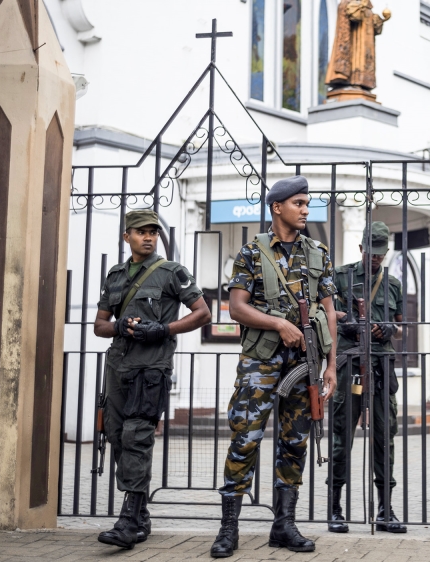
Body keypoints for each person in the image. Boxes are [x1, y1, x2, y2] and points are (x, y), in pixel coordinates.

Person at [210, 176, 338, 558]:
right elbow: (236, 307)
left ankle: (284, 525)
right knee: (245, 439)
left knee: (295, 442)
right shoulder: (252, 252)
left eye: (307, 203)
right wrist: (279, 324)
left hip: (305, 361)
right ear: (277, 207)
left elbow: (329, 310)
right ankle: (228, 527)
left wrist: (331, 366)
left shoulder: (318, 253)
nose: (305, 209)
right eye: (299, 203)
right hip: (261, 359)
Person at [93, 210, 211, 550]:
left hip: (151, 369)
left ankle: (128, 522)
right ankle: (142, 516)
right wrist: (119, 326)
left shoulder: (172, 272)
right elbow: (99, 325)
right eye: (141, 231)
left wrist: (163, 329)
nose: (148, 237)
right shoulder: (115, 276)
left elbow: (202, 313)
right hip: (118, 367)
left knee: (137, 437)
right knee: (117, 435)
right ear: (126, 236)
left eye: (153, 232)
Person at [327, 221, 406, 533]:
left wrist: (389, 329)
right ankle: (335, 508)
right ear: (361, 248)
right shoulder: (340, 277)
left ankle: (385, 510)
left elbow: (402, 327)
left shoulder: (394, 285)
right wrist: (342, 321)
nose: (375, 258)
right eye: (370, 252)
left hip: (381, 367)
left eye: (380, 253)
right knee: (341, 436)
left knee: (384, 438)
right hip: (349, 366)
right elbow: (323, 313)